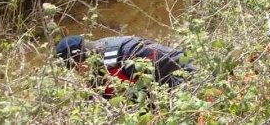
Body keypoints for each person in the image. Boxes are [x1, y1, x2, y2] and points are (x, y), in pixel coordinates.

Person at [55, 34, 195, 95]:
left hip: (180, 91)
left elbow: (181, 60)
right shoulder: (96, 73)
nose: (78, 72)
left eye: (76, 67)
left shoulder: (128, 51)